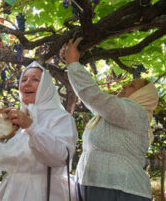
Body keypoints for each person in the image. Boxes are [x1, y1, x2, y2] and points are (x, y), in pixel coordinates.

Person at [0, 61, 78, 201]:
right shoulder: (16, 118)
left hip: (47, 192)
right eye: (24, 80)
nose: (27, 84)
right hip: (13, 191)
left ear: (46, 87)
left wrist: (31, 127)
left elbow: (59, 157)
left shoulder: (61, 118)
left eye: (35, 80)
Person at [64, 39, 159, 201]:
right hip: (100, 188)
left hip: (120, 191)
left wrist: (73, 64)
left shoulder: (135, 112)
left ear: (142, 96)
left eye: (131, 86)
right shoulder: (114, 116)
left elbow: (94, 97)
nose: (123, 86)